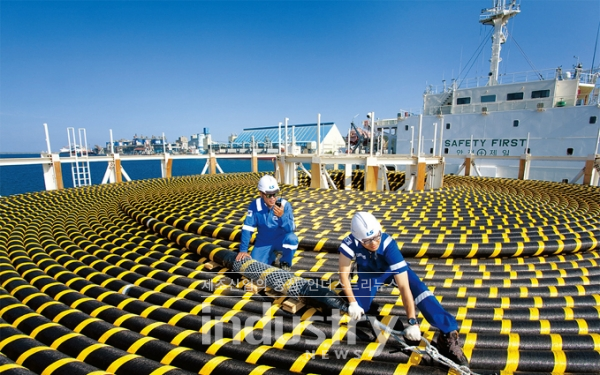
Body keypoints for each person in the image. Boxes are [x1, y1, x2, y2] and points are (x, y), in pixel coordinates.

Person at [338, 212, 468, 367]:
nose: (373, 243)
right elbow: (343, 275)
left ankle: (448, 333)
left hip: (391, 270)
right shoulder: (349, 243)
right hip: (369, 273)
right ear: (358, 239)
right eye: (367, 241)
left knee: (420, 290)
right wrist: (352, 302)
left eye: (376, 237)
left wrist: (412, 322)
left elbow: (404, 287)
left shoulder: (388, 245)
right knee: (359, 307)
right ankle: (348, 297)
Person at [235, 175, 298, 270]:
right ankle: (272, 254)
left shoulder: (284, 205)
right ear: (261, 193)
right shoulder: (255, 205)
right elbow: (248, 228)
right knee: (255, 268)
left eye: (275, 194)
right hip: (263, 242)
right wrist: (243, 250)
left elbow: (290, 229)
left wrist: (282, 216)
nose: (273, 198)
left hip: (280, 240)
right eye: (269, 195)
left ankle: (285, 262)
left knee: (292, 239)